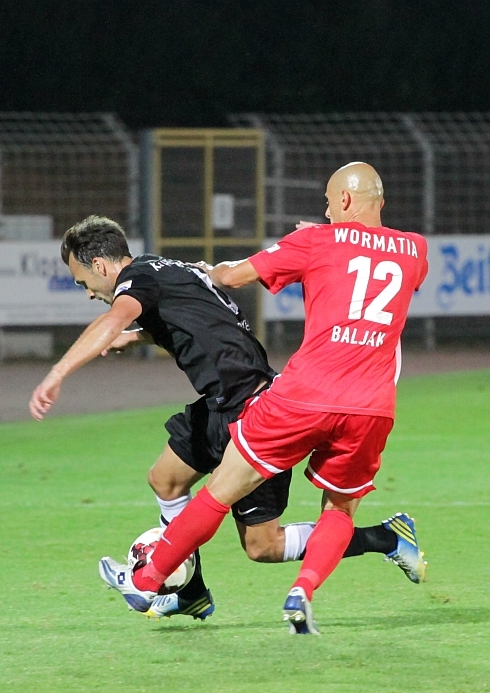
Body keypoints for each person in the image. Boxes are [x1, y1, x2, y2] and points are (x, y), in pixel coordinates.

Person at [29, 213, 425, 624]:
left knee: (263, 546)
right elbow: (199, 318)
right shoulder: (164, 269)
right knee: (165, 479)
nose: (88, 293)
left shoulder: (137, 280)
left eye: (83, 282)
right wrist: (139, 336)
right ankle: (190, 593)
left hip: (250, 404)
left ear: (99, 265)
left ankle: (385, 537)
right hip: (220, 401)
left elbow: (113, 318)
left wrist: (58, 373)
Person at [126, 162, 429, 634]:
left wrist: (212, 271)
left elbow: (233, 276)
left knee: (220, 489)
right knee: (339, 510)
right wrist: (329, 236)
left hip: (303, 397)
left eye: (328, 204)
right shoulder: (415, 250)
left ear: (344, 200)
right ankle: (302, 591)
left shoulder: (316, 241)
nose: (324, 213)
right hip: (371, 407)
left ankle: (146, 579)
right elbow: (367, 256)